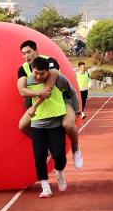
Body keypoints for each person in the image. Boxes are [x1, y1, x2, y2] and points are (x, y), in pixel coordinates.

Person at [17, 40, 83, 169]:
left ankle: (76, 150)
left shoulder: (50, 62)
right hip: (42, 105)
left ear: (36, 51)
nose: (27, 56)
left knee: (68, 124)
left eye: (29, 52)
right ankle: (46, 147)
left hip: (61, 99)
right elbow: (22, 91)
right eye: (23, 54)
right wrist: (34, 97)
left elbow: (49, 88)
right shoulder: (22, 69)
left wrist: (34, 103)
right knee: (22, 125)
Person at [26, 57, 81, 198]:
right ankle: (45, 186)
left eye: (42, 74)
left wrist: (77, 112)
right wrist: (30, 110)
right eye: (36, 73)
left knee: (59, 155)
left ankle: (60, 172)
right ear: (32, 70)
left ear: (48, 72)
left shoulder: (58, 79)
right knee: (39, 157)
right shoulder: (29, 82)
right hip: (37, 124)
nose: (38, 77)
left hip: (55, 124)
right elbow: (26, 99)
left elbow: (72, 92)